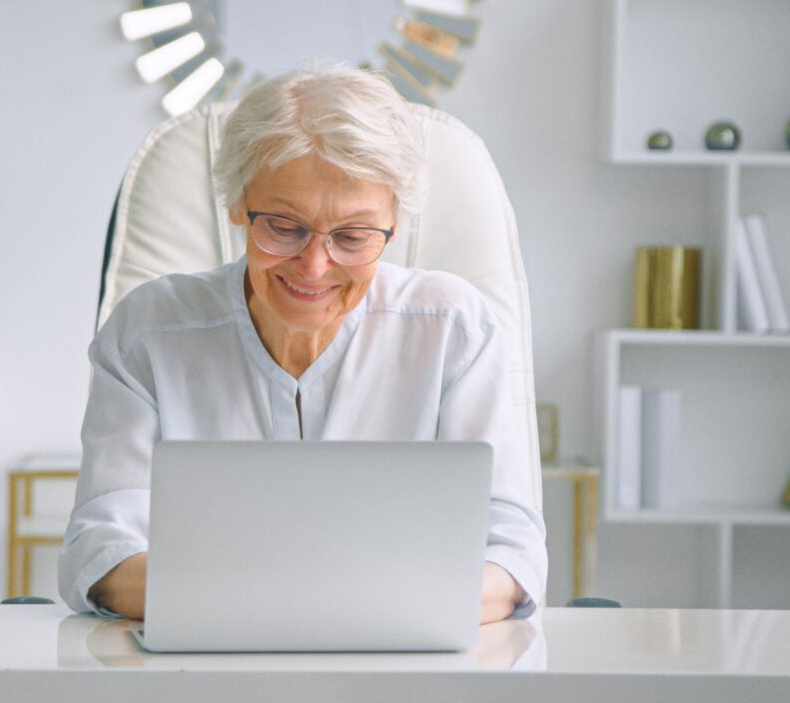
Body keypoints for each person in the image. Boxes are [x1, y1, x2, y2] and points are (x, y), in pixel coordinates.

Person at [58, 64, 546, 624]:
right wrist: (343, 603)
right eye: (284, 227)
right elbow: (101, 555)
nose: (315, 266)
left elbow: (512, 559)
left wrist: (264, 600)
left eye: (353, 236)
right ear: (238, 205)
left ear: (394, 224)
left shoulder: (454, 330)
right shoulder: (148, 331)